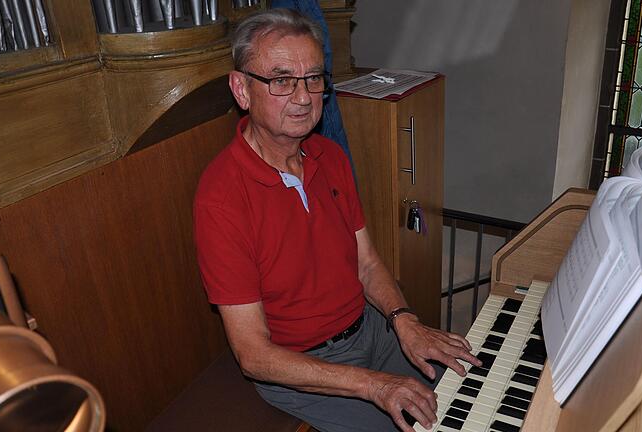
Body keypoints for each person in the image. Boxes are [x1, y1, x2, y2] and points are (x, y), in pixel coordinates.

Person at [193, 9, 480, 432]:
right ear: (242, 89)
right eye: (282, 79)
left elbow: (366, 262)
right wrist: (374, 386)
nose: (304, 96)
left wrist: (405, 321)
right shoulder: (220, 197)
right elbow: (253, 354)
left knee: (470, 392)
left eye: (314, 78)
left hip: (370, 329)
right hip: (302, 367)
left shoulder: (330, 156)